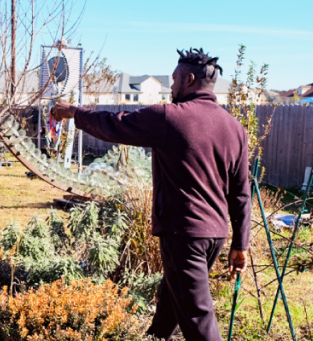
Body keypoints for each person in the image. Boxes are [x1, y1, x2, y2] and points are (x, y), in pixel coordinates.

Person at [51, 48, 250, 341]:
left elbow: (113, 124)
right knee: (171, 300)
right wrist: (240, 244)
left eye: (174, 80)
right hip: (215, 236)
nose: (171, 86)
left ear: (189, 80)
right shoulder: (235, 128)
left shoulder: (170, 117)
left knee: (198, 317)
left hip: (185, 235)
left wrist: (74, 112)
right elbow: (241, 193)